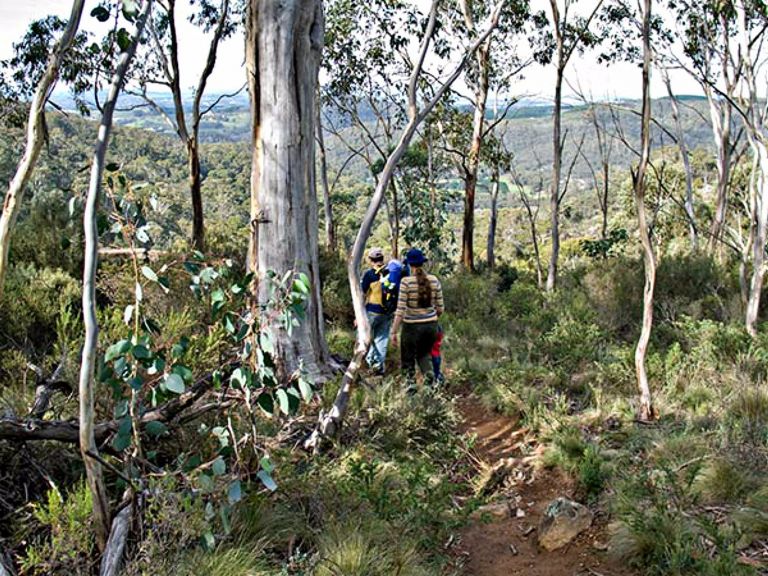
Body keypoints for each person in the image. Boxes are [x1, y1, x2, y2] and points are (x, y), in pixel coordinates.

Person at [390, 248, 444, 390]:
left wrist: (393, 332)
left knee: (408, 360)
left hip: (411, 328)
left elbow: (400, 310)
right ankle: (430, 386)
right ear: (422, 263)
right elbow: (440, 309)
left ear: (409, 264)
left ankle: (410, 390)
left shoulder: (406, 282)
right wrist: (430, 318)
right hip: (431, 326)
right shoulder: (434, 280)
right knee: (424, 356)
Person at [361, 247, 392, 375]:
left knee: (366, 338)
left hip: (372, 311)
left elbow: (361, 294)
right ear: (382, 259)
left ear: (370, 260)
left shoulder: (369, 274)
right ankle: (378, 368)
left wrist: (359, 315)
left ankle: (369, 364)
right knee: (382, 340)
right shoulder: (391, 272)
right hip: (387, 312)